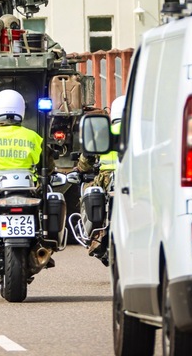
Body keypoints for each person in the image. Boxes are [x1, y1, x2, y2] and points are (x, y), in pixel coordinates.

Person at [76, 95, 125, 264]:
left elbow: (86, 160)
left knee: (87, 191)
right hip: (132, 178)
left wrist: (80, 170)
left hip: (105, 178)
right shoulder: (140, 130)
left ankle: (94, 235)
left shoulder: (104, 131)